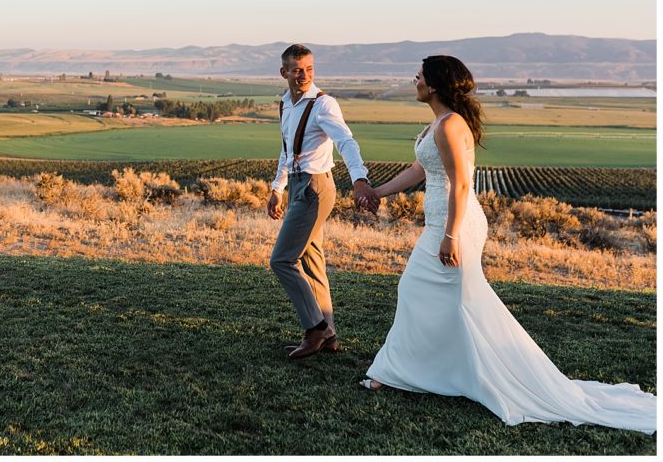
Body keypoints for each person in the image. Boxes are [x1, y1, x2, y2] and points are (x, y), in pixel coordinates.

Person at [360, 55, 656, 435]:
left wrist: (451, 235)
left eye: (418, 75)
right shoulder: (439, 122)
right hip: (444, 222)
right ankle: (437, 370)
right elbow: (421, 170)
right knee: (452, 301)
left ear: (433, 85)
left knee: (417, 288)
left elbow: (462, 185)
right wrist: (378, 193)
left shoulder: (450, 126)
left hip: (455, 225)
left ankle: (395, 373)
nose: (413, 79)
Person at [267, 44, 378, 360]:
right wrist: (277, 187)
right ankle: (329, 335)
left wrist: (359, 178)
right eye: (297, 69)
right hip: (298, 187)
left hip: (317, 188)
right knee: (311, 261)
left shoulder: (323, 104)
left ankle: (316, 328)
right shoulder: (286, 104)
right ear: (284, 72)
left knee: (282, 260)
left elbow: (346, 141)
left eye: (309, 69)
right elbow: (287, 150)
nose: (304, 75)